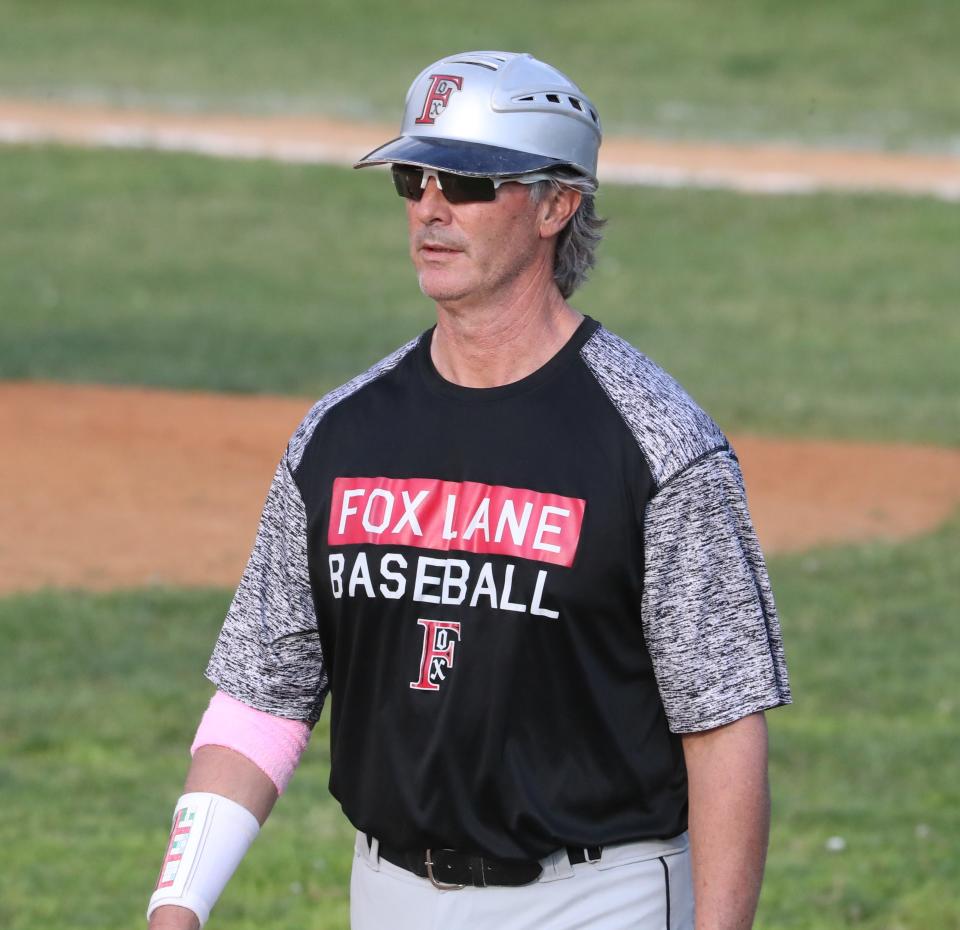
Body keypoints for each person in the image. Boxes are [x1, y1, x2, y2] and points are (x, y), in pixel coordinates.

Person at [146, 50, 790, 930]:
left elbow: (722, 730)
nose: (431, 208)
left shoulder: (658, 444)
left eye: (471, 184)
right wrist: (177, 906)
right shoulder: (339, 437)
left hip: (602, 902)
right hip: (388, 897)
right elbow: (263, 692)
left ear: (557, 205)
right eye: (413, 178)